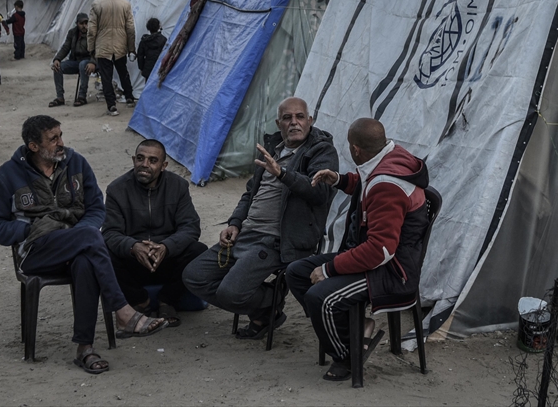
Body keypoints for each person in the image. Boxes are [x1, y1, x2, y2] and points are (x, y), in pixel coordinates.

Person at [0, 116, 168, 374]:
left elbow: (95, 208)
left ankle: (85, 350)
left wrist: (79, 234)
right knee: (91, 240)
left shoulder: (75, 162)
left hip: (77, 243)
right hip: (36, 251)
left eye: (61, 135)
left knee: (85, 259)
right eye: (53, 139)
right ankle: (124, 312)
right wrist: (28, 228)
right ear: (34, 146)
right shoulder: (7, 175)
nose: (61, 143)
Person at [287, 117, 430, 382]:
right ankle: (351, 330)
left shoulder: (388, 184)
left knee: (320, 297)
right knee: (297, 273)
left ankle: (347, 355)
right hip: (373, 256)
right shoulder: (389, 156)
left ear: (355, 150)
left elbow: (380, 251)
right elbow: (367, 184)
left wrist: (329, 269)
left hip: (390, 271)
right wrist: (341, 180)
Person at [183, 97, 338, 340]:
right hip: (246, 234)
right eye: (287, 118)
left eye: (299, 117)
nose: (294, 123)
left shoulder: (321, 150)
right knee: (193, 276)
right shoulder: (273, 148)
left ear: (310, 121)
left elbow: (320, 193)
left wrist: (283, 173)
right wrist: (234, 223)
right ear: (279, 123)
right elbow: (250, 193)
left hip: (279, 240)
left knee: (229, 294)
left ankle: (272, 300)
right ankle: (265, 310)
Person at [103, 139, 208, 325]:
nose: (145, 165)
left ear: (163, 165)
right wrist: (133, 246)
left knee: (198, 251)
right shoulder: (116, 190)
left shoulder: (178, 186)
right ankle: (140, 301)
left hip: (167, 261)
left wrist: (166, 247)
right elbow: (110, 232)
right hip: (134, 263)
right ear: (134, 160)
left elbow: (190, 227)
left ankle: (167, 300)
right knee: (103, 252)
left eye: (152, 160)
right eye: (140, 159)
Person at [88, 0, 136, 116]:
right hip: (120, 46)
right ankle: (129, 98)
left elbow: (92, 30)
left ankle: (112, 106)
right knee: (123, 72)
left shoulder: (96, 4)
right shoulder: (125, 4)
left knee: (106, 77)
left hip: (103, 46)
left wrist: (91, 48)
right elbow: (130, 29)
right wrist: (131, 48)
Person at [50, 13, 94, 107]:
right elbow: (65, 47)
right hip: (76, 61)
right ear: (77, 23)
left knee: (83, 65)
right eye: (81, 23)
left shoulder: (92, 33)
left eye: (86, 23)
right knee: (59, 67)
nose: (84, 26)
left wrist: (93, 62)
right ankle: (60, 97)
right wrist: (57, 59)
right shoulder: (72, 33)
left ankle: (82, 96)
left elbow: (98, 50)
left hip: (89, 61)